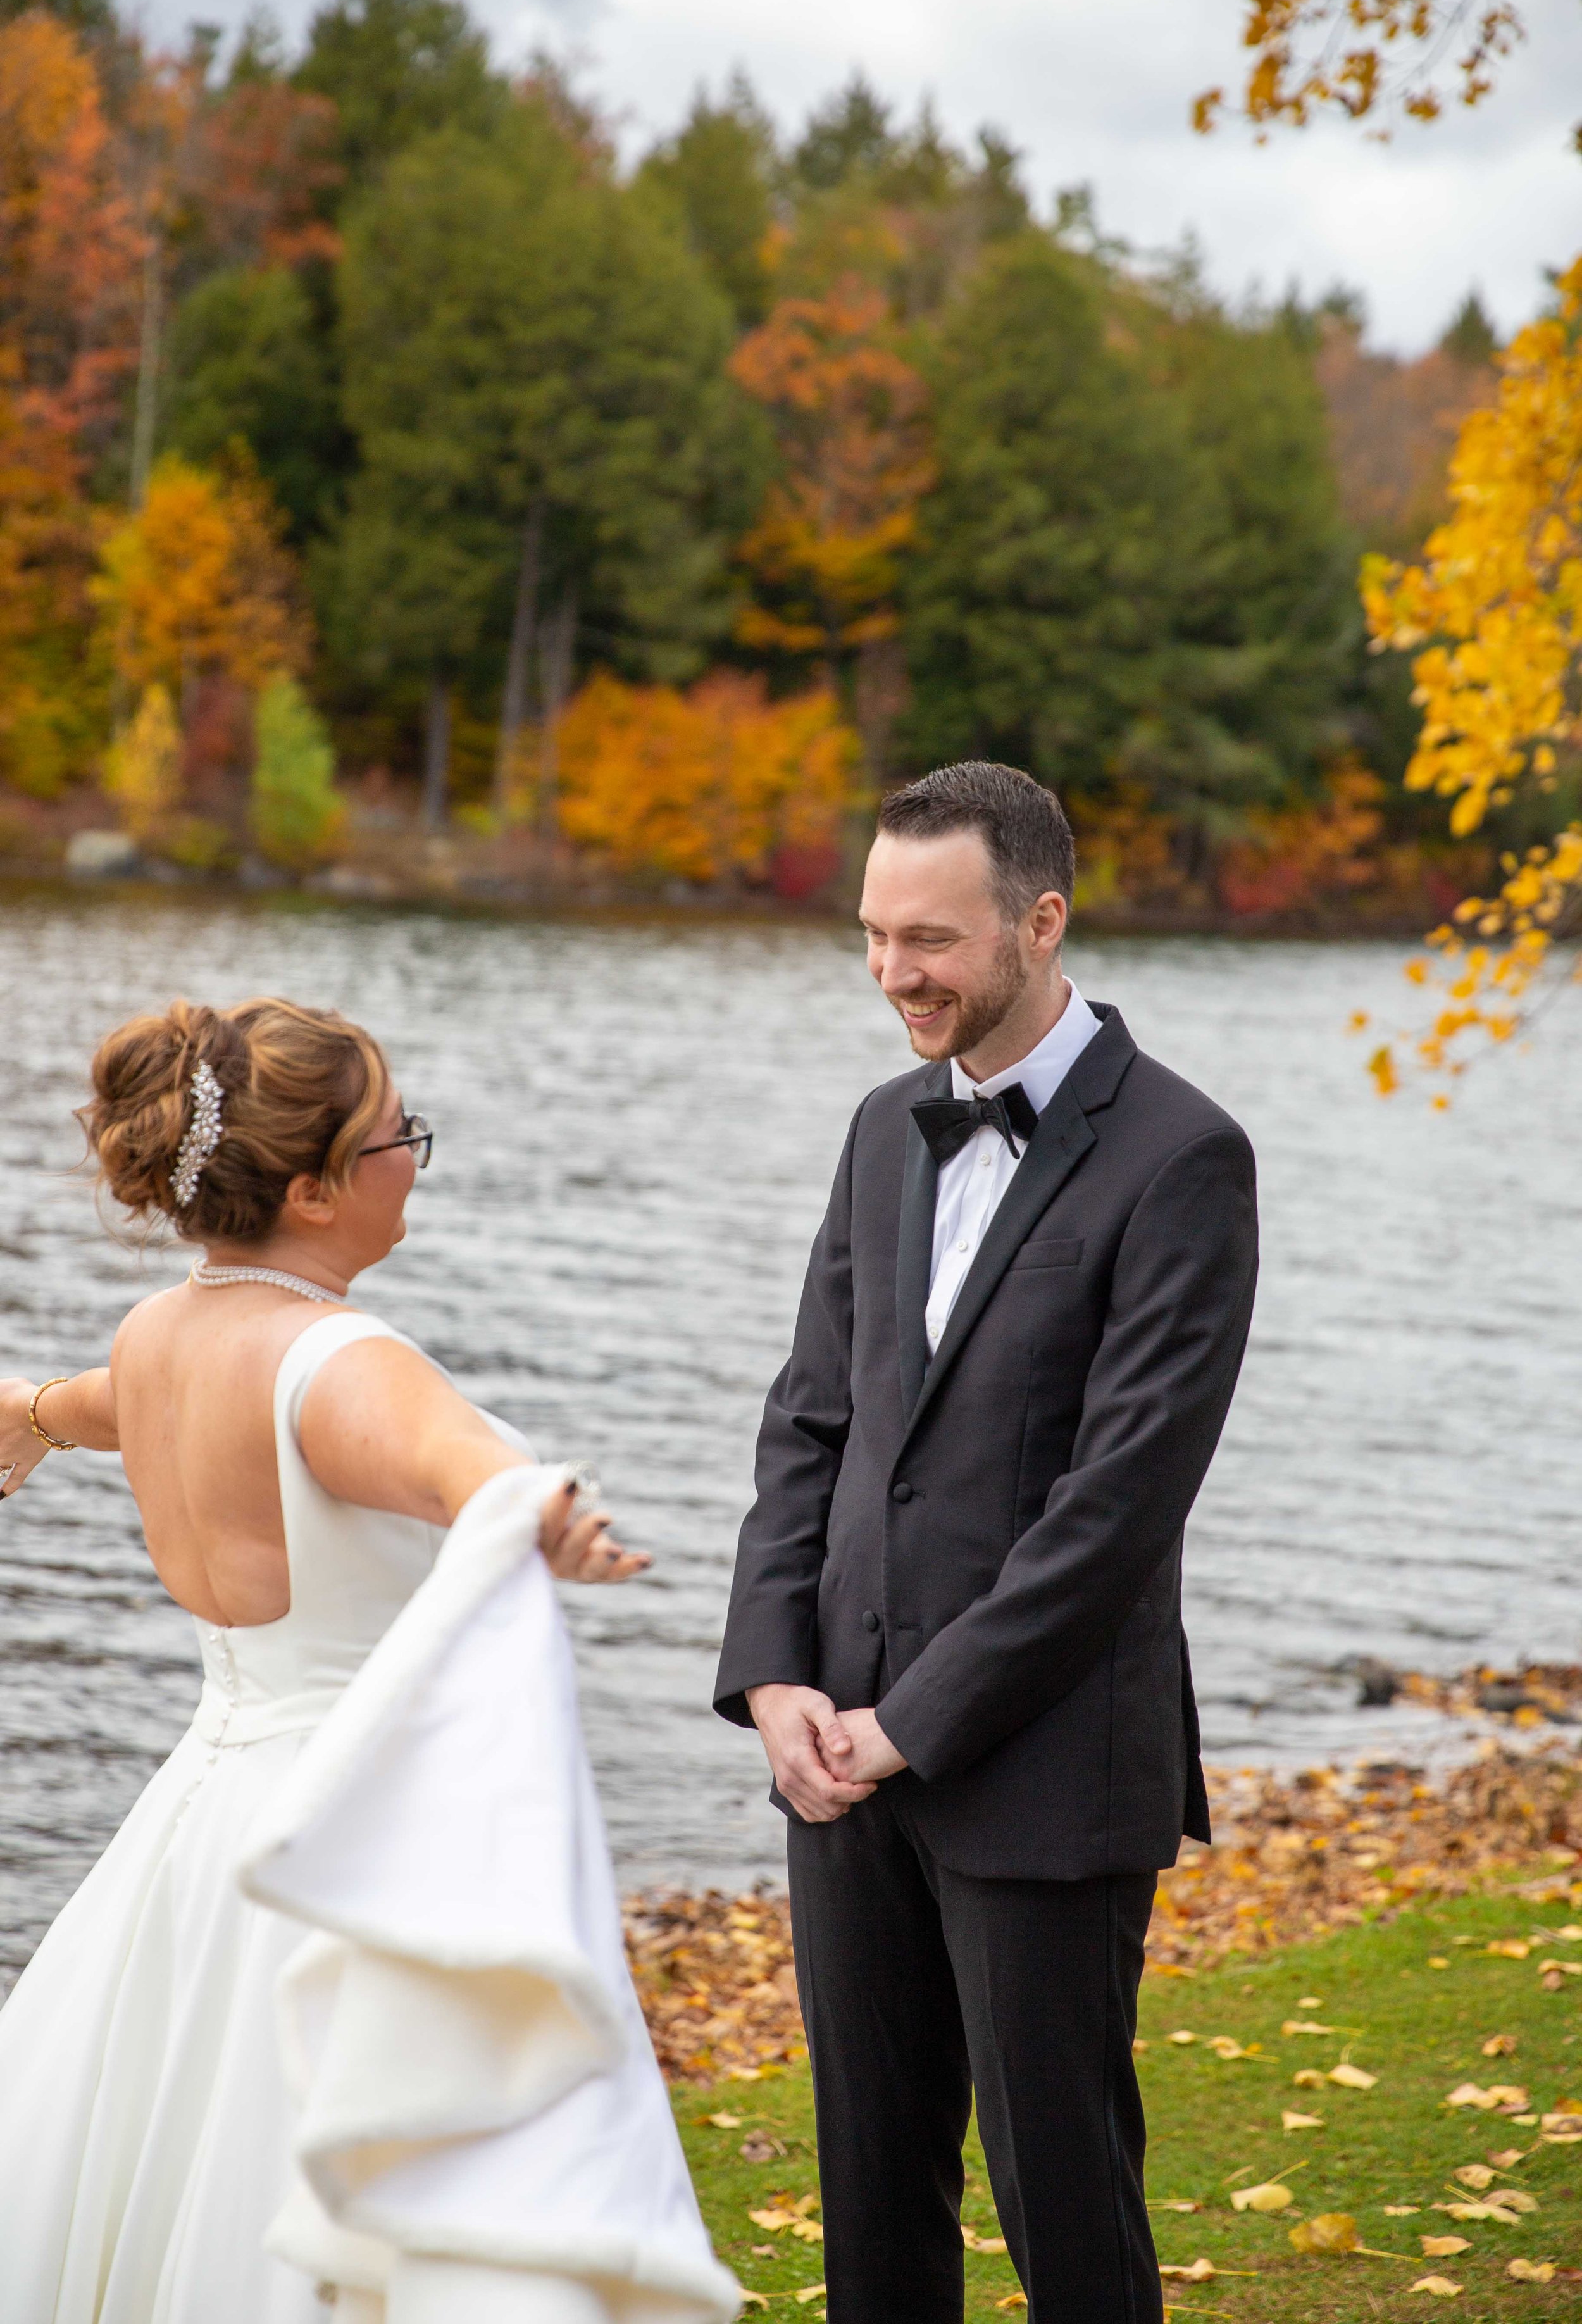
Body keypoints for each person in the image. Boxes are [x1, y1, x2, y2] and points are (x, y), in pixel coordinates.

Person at [0, 996, 738, 2324]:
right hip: (354, 1833)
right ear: (316, 1188)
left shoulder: (155, 1339)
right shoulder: (344, 1358)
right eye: (401, 1136)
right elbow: (470, 1468)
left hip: (201, 1829)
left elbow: (99, 1408)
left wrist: (31, 1418)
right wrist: (545, 1513)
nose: (414, 1158)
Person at [714, 763, 1259, 2324]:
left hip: (1041, 1771)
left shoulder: (1182, 1156)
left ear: (1040, 920)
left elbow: (1117, 1508)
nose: (894, 974)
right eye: (873, 936)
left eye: (931, 940)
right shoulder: (882, 1129)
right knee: (872, 2201)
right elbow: (807, 1424)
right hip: (834, 1760)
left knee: (1062, 2205)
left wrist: (914, 1725)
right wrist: (776, 1687)